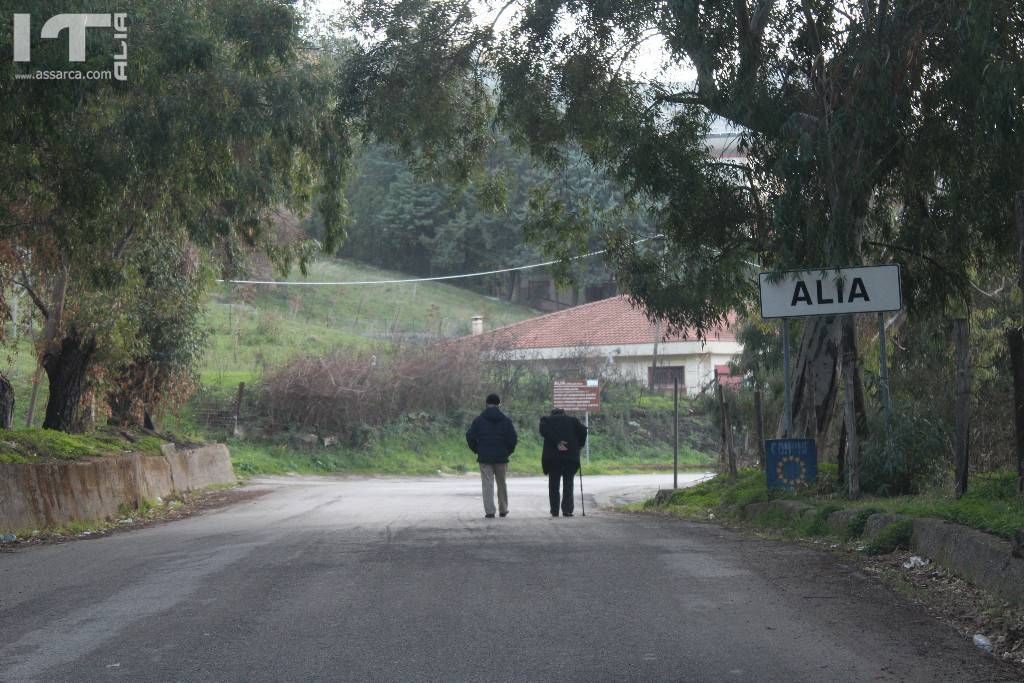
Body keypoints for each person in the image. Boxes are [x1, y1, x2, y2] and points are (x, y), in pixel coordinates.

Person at [465, 393, 517, 518]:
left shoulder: (478, 420)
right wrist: (507, 451)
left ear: (486, 404)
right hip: (501, 457)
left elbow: (470, 436)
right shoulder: (506, 420)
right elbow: (513, 439)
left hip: (485, 456)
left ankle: (490, 511)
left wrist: (477, 449)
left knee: (487, 484)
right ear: (499, 404)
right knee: (502, 483)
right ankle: (503, 509)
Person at [539, 408, 587, 517]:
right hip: (570, 457)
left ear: (552, 414)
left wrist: (557, 442)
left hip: (553, 458)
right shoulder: (573, 421)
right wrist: (579, 445)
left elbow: (543, 431)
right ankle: (567, 510)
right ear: (564, 413)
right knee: (568, 483)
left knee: (554, 484)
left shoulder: (546, 420)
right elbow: (584, 431)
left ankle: (554, 511)